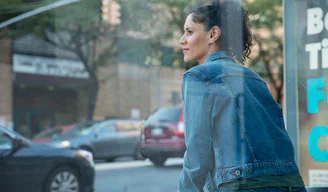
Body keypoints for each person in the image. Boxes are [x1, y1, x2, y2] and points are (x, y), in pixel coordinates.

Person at [178, 1, 306, 192]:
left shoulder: (199, 76)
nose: (182, 40)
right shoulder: (254, 78)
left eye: (189, 31)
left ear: (213, 34)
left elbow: (197, 154)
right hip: (290, 183)